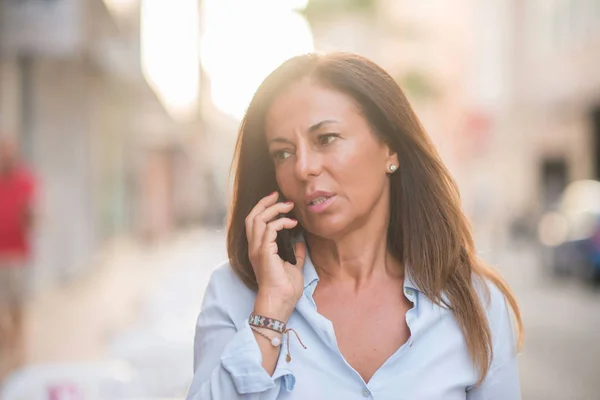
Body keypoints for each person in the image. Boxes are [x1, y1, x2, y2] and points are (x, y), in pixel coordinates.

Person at [186, 53, 523, 399]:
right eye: (283, 153)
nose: (303, 168)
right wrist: (269, 315)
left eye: (326, 138)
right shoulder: (233, 294)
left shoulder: (474, 303)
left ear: (390, 148)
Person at [0, 136, 37, 380]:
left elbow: (33, 218)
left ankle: (20, 358)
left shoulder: (26, 181)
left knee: (18, 310)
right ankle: (12, 353)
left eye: (9, 151)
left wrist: (31, 216)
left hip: (18, 255)